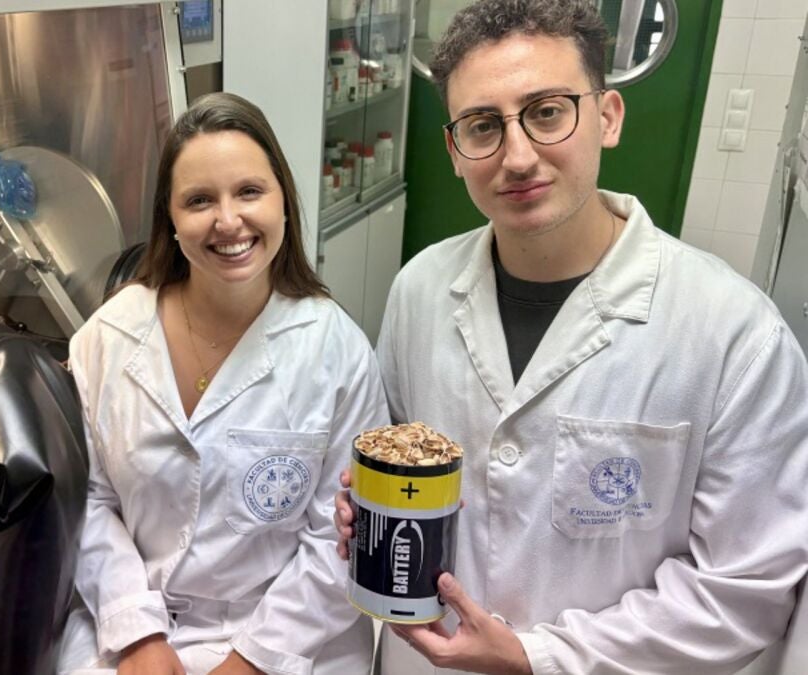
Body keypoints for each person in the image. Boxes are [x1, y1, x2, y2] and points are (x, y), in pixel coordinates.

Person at [333, 1, 808, 673]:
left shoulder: (733, 334)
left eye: (548, 112)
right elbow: (398, 467)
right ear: (455, 151)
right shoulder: (420, 290)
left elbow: (744, 587)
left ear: (607, 116)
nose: (517, 156)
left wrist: (539, 656)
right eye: (482, 126)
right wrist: (364, 509)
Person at [57, 92, 389, 675]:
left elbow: (340, 536)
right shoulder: (107, 337)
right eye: (199, 200)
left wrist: (250, 662)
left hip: (291, 638)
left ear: (284, 202)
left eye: (250, 191)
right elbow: (88, 499)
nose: (228, 220)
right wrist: (138, 636)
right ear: (170, 219)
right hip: (135, 620)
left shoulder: (336, 350)